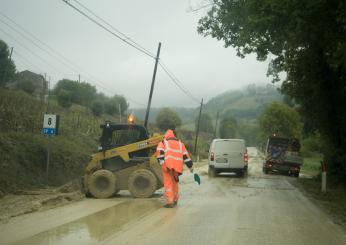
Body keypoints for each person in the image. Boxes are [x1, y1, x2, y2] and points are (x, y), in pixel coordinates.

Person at [156, 129, 193, 208]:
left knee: (168, 183)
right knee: (175, 183)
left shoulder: (163, 142)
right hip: (177, 167)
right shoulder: (180, 144)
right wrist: (190, 166)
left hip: (167, 166)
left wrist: (162, 165)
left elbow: (159, 154)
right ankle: (175, 199)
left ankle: (170, 202)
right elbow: (186, 156)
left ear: (166, 135)